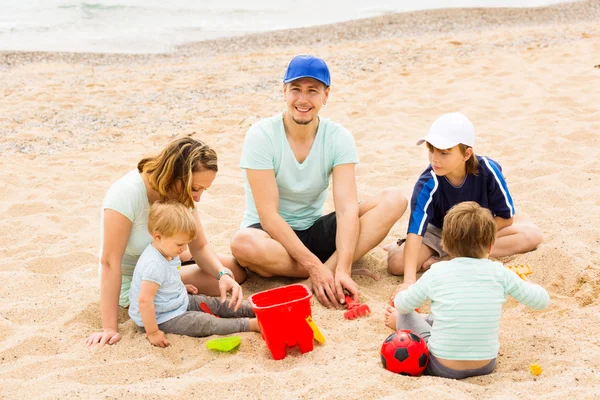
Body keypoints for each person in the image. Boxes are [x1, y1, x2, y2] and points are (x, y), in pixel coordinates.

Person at [230, 55, 407, 309]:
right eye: (296, 90)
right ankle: (322, 272)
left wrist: (344, 269)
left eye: (312, 91)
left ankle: (330, 271)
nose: (303, 99)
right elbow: (269, 217)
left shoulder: (338, 137)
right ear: (284, 91)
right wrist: (315, 267)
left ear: (326, 95)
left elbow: (346, 209)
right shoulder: (261, 135)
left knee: (394, 199)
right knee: (242, 244)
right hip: (270, 236)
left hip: (313, 229)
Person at [86, 137, 247, 349]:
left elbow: (200, 246)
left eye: (202, 191)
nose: (197, 198)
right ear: (175, 175)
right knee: (213, 287)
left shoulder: (180, 193)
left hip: (169, 261)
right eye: (195, 188)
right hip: (140, 277)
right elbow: (109, 262)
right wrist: (110, 327)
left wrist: (222, 274)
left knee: (235, 271)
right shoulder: (126, 194)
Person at [385, 202, 550, 379]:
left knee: (404, 314)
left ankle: (406, 322)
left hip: (441, 366)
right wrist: (530, 283)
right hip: (486, 365)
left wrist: (405, 293)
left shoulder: (437, 272)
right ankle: (426, 319)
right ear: (491, 245)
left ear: (445, 245)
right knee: (460, 313)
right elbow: (541, 302)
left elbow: (403, 305)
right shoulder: (500, 273)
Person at [385, 112, 543, 296]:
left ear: (466, 154)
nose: (435, 159)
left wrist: (469, 238)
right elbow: (416, 232)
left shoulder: (489, 170)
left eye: (444, 152)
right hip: (440, 233)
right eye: (431, 150)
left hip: (476, 230)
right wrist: (409, 282)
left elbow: (506, 219)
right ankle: (403, 247)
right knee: (396, 264)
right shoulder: (427, 182)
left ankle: (450, 259)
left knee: (532, 235)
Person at [129, 201, 259, 347]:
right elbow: (144, 300)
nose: (184, 249)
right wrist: (152, 332)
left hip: (175, 300)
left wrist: (180, 287)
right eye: (180, 244)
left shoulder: (167, 250)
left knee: (212, 303)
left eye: (186, 244)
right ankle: (249, 325)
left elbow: (165, 279)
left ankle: (254, 308)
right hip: (162, 317)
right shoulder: (154, 265)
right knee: (204, 322)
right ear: (158, 236)